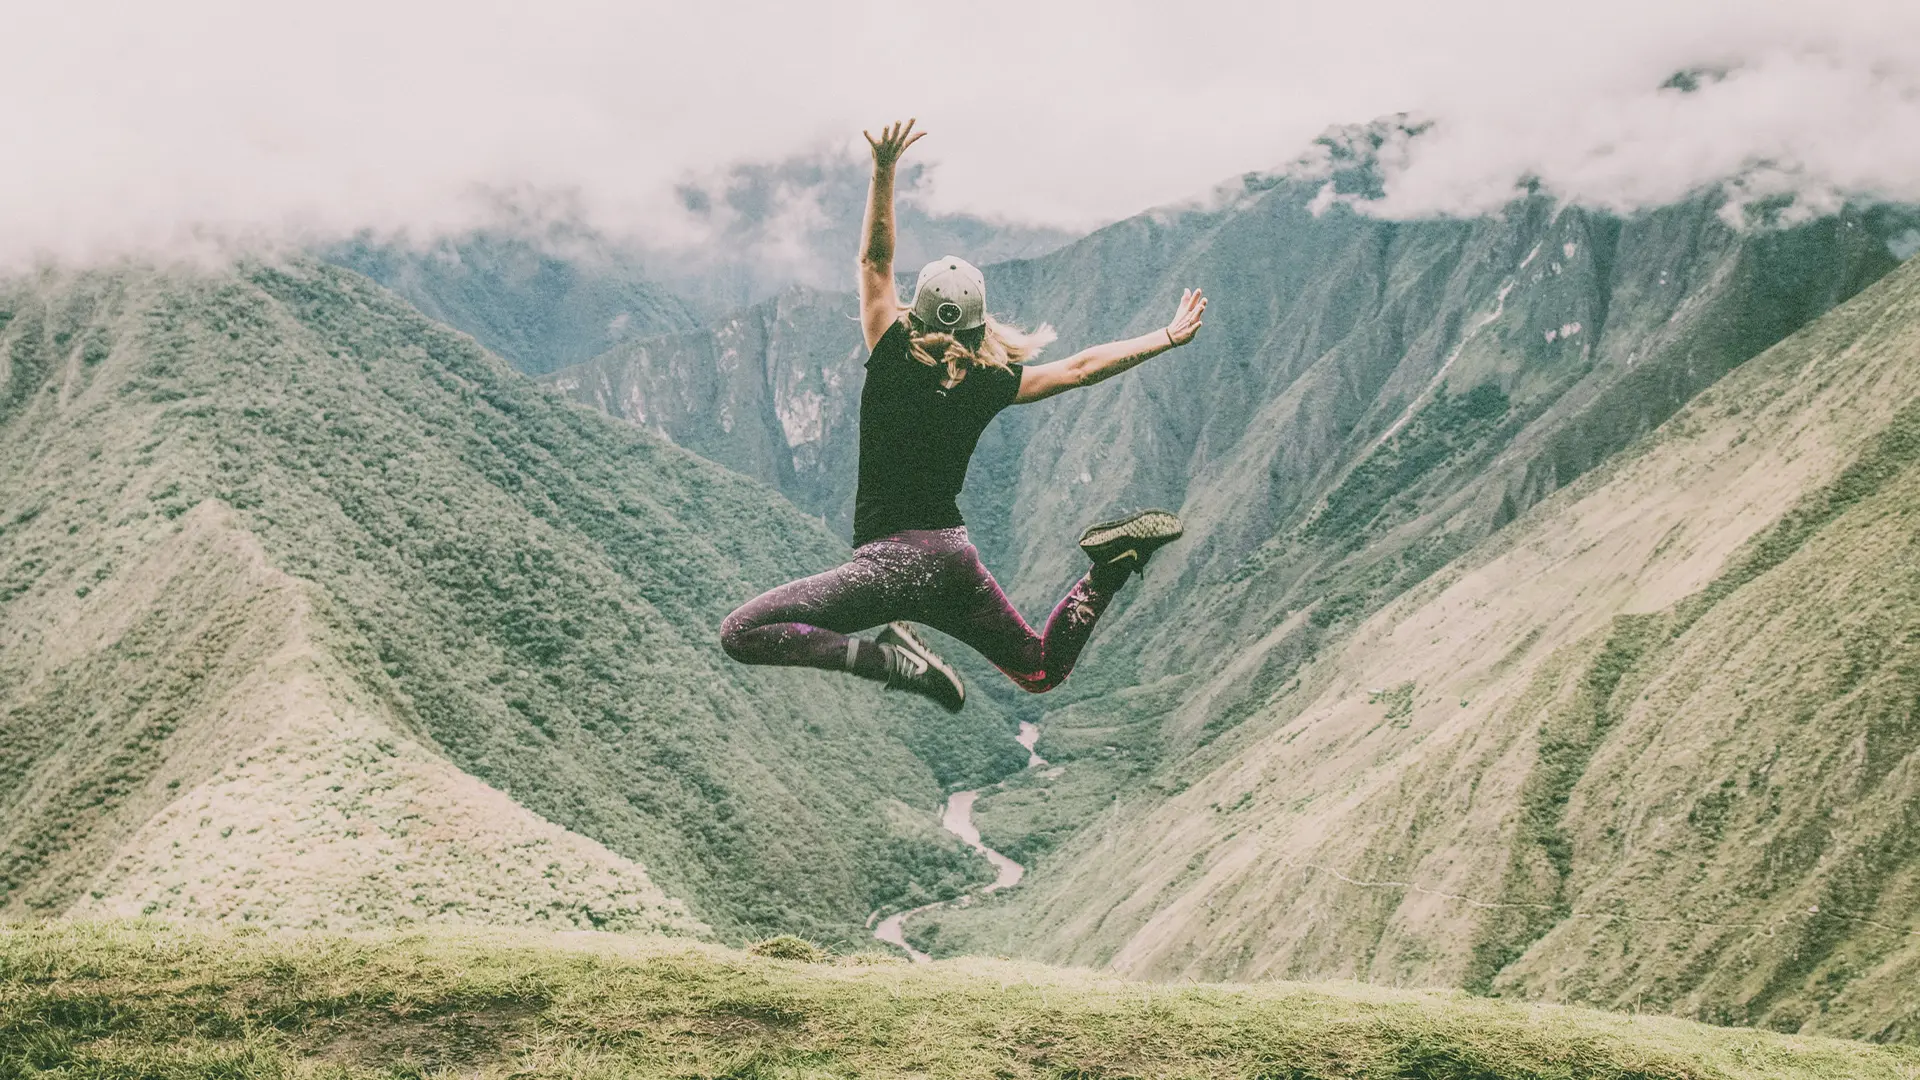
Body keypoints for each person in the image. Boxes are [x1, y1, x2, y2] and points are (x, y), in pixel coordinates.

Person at [719, 118, 1207, 711]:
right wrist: (1165, 336)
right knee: (1039, 669)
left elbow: (875, 261)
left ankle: (888, 661)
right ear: (981, 322)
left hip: (888, 566)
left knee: (741, 633)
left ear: (915, 312)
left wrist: (883, 169)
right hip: (953, 561)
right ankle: (1107, 570)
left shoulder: (892, 351)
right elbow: (1080, 368)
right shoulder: (991, 380)